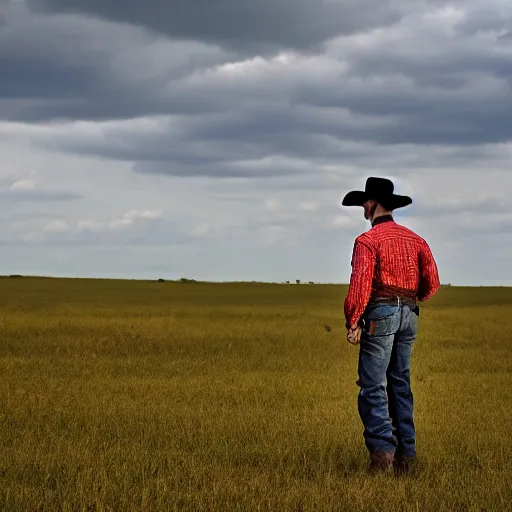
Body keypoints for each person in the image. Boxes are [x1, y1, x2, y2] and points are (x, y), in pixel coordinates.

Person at [341, 177, 440, 475]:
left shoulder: (367, 241)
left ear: (371, 205)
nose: (363, 208)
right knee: (400, 382)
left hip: (380, 312)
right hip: (410, 313)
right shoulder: (416, 239)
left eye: (363, 203)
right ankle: (406, 458)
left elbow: (360, 285)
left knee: (372, 386)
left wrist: (353, 320)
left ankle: (382, 456)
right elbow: (432, 283)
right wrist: (409, 300)